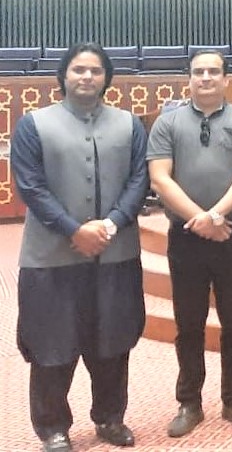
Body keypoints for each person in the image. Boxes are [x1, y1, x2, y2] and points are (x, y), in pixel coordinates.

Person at [12, 43, 148, 452]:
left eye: (95, 70)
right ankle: (53, 428)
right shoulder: (34, 124)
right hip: (51, 257)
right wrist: (74, 229)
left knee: (113, 341)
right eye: (78, 70)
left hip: (116, 251)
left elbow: (139, 180)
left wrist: (110, 223)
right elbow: (30, 186)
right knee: (52, 345)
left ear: (107, 77)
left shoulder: (129, 124)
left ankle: (109, 418)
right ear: (63, 76)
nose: (86, 77)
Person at [147, 49, 232, 438]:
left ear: (226, 79)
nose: (207, 78)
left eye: (215, 72)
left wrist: (215, 217)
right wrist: (199, 220)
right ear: (189, 78)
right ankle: (189, 402)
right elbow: (161, 179)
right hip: (186, 236)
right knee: (189, 323)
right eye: (199, 72)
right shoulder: (168, 122)